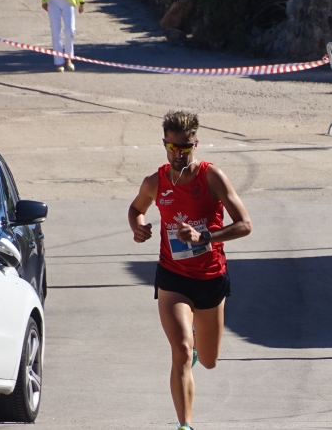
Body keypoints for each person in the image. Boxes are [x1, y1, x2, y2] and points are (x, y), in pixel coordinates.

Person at [128, 111, 252, 430]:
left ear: (195, 145)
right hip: (173, 277)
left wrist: (205, 236)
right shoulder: (155, 181)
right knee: (181, 349)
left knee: (208, 361)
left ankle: (199, 343)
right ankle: (185, 426)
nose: (177, 155)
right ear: (165, 144)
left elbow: (245, 225)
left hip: (210, 278)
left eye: (184, 149)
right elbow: (136, 208)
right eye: (171, 148)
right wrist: (138, 227)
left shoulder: (211, 177)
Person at [40, 0, 84, 73]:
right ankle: (59, 61)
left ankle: (68, 58)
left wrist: (82, 2)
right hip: (53, 1)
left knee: (70, 30)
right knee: (56, 31)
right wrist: (44, 0)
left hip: (69, 1)